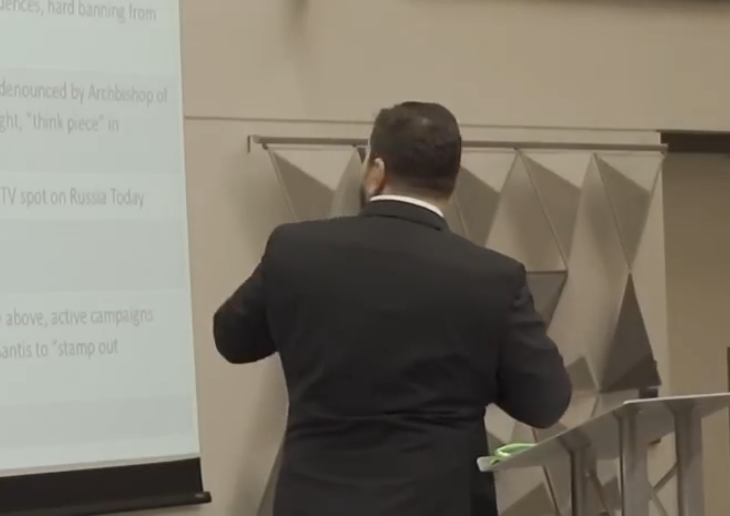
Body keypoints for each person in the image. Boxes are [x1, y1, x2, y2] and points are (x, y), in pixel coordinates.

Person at [212, 101, 572, 516]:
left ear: (376, 169)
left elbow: (231, 339)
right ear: (454, 181)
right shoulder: (493, 278)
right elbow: (545, 403)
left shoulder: (294, 250)